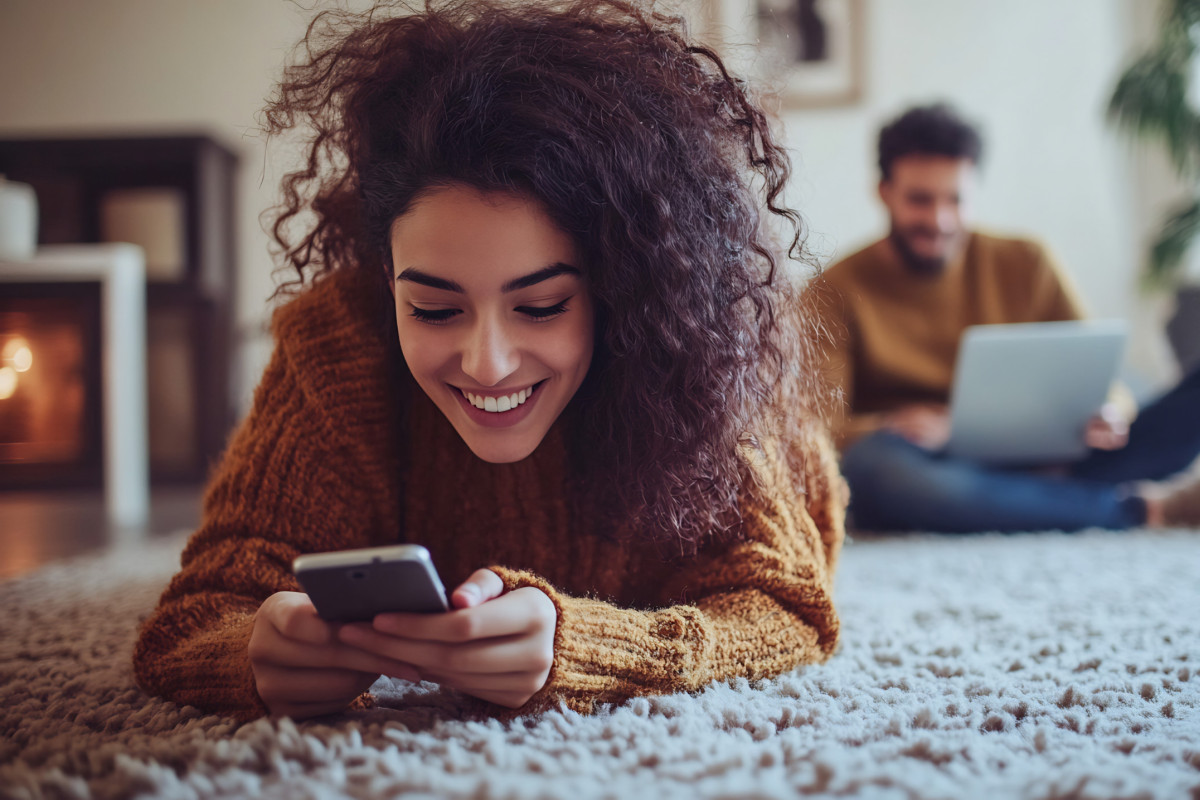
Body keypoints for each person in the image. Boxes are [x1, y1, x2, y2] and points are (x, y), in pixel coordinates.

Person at [132, 0, 847, 722]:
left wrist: (585, 645)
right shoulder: (335, 348)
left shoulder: (697, 367)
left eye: (540, 307)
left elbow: (789, 608)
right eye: (435, 310)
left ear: (621, 288)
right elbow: (198, 610)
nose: (488, 363)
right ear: (386, 279)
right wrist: (255, 648)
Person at [821, 102, 1200, 534]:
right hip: (931, 463)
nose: (940, 220)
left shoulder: (1028, 260)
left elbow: (1100, 370)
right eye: (920, 200)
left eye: (955, 200)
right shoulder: (833, 291)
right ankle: (1141, 510)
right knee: (877, 470)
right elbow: (818, 431)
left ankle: (1025, 495)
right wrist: (903, 425)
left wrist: (1110, 408)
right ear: (884, 192)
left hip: (1049, 449)